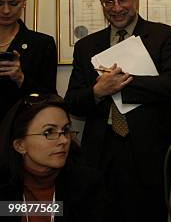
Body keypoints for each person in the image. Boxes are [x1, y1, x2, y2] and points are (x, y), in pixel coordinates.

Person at [65, 0, 171, 222]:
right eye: (109, 1)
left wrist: (121, 83)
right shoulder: (86, 46)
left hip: (151, 153)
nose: (116, 8)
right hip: (101, 152)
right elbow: (73, 101)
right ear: (101, 3)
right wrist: (98, 91)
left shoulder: (165, 36)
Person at [0, 93, 108, 221]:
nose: (63, 140)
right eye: (49, 132)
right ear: (20, 145)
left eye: (66, 130)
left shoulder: (87, 185)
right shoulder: (4, 188)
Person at [0, 0, 57, 119]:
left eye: (13, 4)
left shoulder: (42, 44)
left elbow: (50, 98)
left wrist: (21, 79)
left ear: (24, 2)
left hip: (21, 129)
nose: (6, 10)